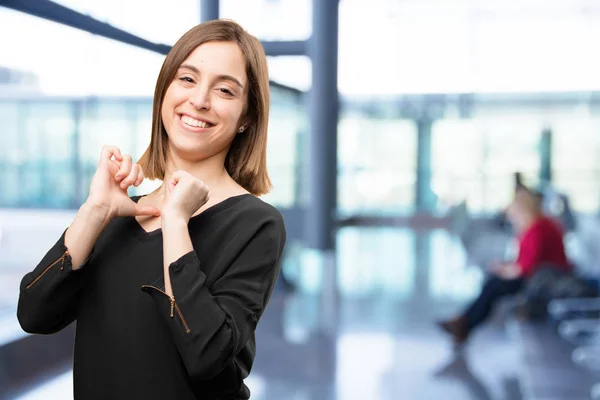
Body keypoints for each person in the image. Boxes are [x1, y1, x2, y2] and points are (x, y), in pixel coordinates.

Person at [17, 19, 286, 400]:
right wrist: (95, 210)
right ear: (164, 92)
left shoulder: (256, 223)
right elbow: (33, 313)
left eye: (225, 89)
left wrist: (175, 222)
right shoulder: (119, 210)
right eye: (187, 79)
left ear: (246, 118)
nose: (200, 100)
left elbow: (207, 354)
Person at [438, 187, 569, 345]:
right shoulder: (536, 225)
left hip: (546, 280)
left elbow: (527, 268)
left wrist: (505, 270)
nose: (510, 215)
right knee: (493, 282)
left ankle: (464, 323)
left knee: (494, 285)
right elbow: (526, 261)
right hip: (540, 276)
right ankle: (464, 322)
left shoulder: (538, 228)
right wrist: (505, 267)